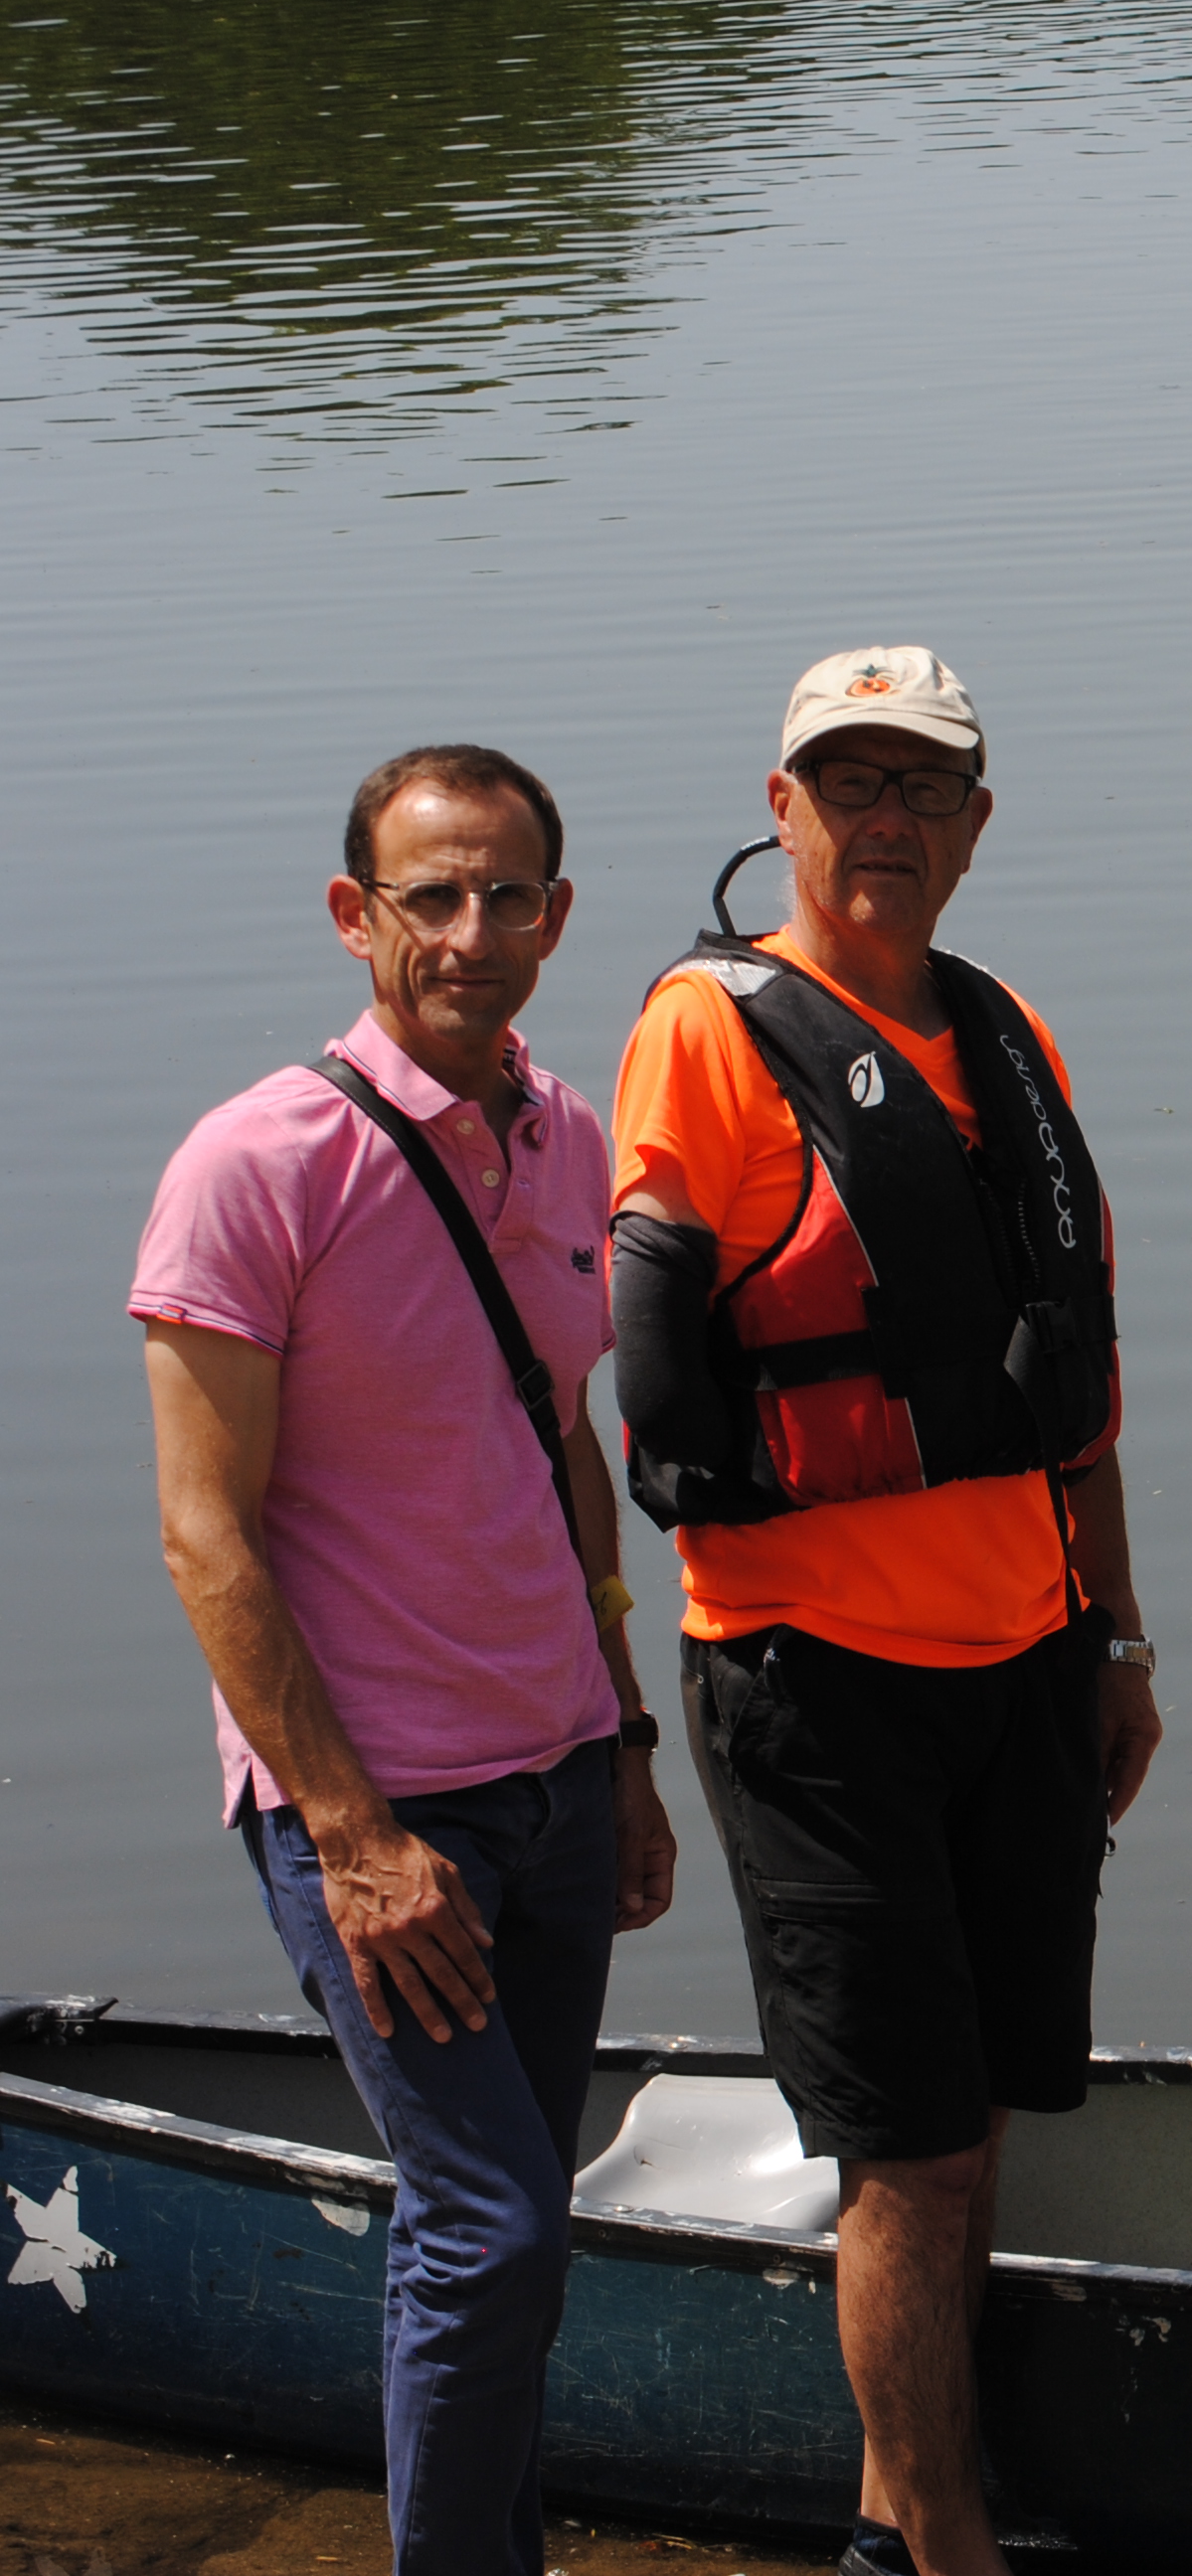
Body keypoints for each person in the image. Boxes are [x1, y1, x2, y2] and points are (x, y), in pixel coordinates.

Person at [606, 648, 1162, 2576]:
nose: (886, 826)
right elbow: (662, 1398)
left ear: (977, 827)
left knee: (969, 2118)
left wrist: (1116, 1633)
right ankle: (946, 2551)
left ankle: (892, 2514)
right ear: (780, 810)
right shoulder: (711, 1031)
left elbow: (1072, 1371)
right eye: (847, 788)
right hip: (809, 1679)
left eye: (923, 792)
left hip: (1021, 1657)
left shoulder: (1008, 1040)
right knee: (909, 2146)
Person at [135, 743, 678, 2576]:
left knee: (502, 2236)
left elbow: (568, 1441)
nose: (471, 930)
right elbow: (206, 1533)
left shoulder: (572, 1133)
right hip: (382, 1810)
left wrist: (624, 1741)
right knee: (495, 2226)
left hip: (550, 1774)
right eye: (429, 896)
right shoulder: (254, 1162)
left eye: (507, 892)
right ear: (354, 914)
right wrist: (354, 1837)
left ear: (558, 914)